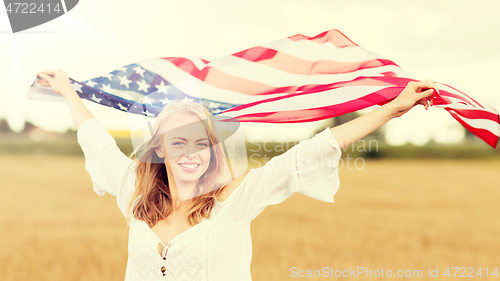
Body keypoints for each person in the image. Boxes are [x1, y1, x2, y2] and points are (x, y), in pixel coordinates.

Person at [35, 69, 437, 281]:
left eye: (200, 142)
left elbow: (312, 151)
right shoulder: (135, 197)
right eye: (178, 143)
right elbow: (96, 141)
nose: (191, 153)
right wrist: (68, 90)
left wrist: (390, 110)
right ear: (160, 149)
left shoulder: (234, 202)